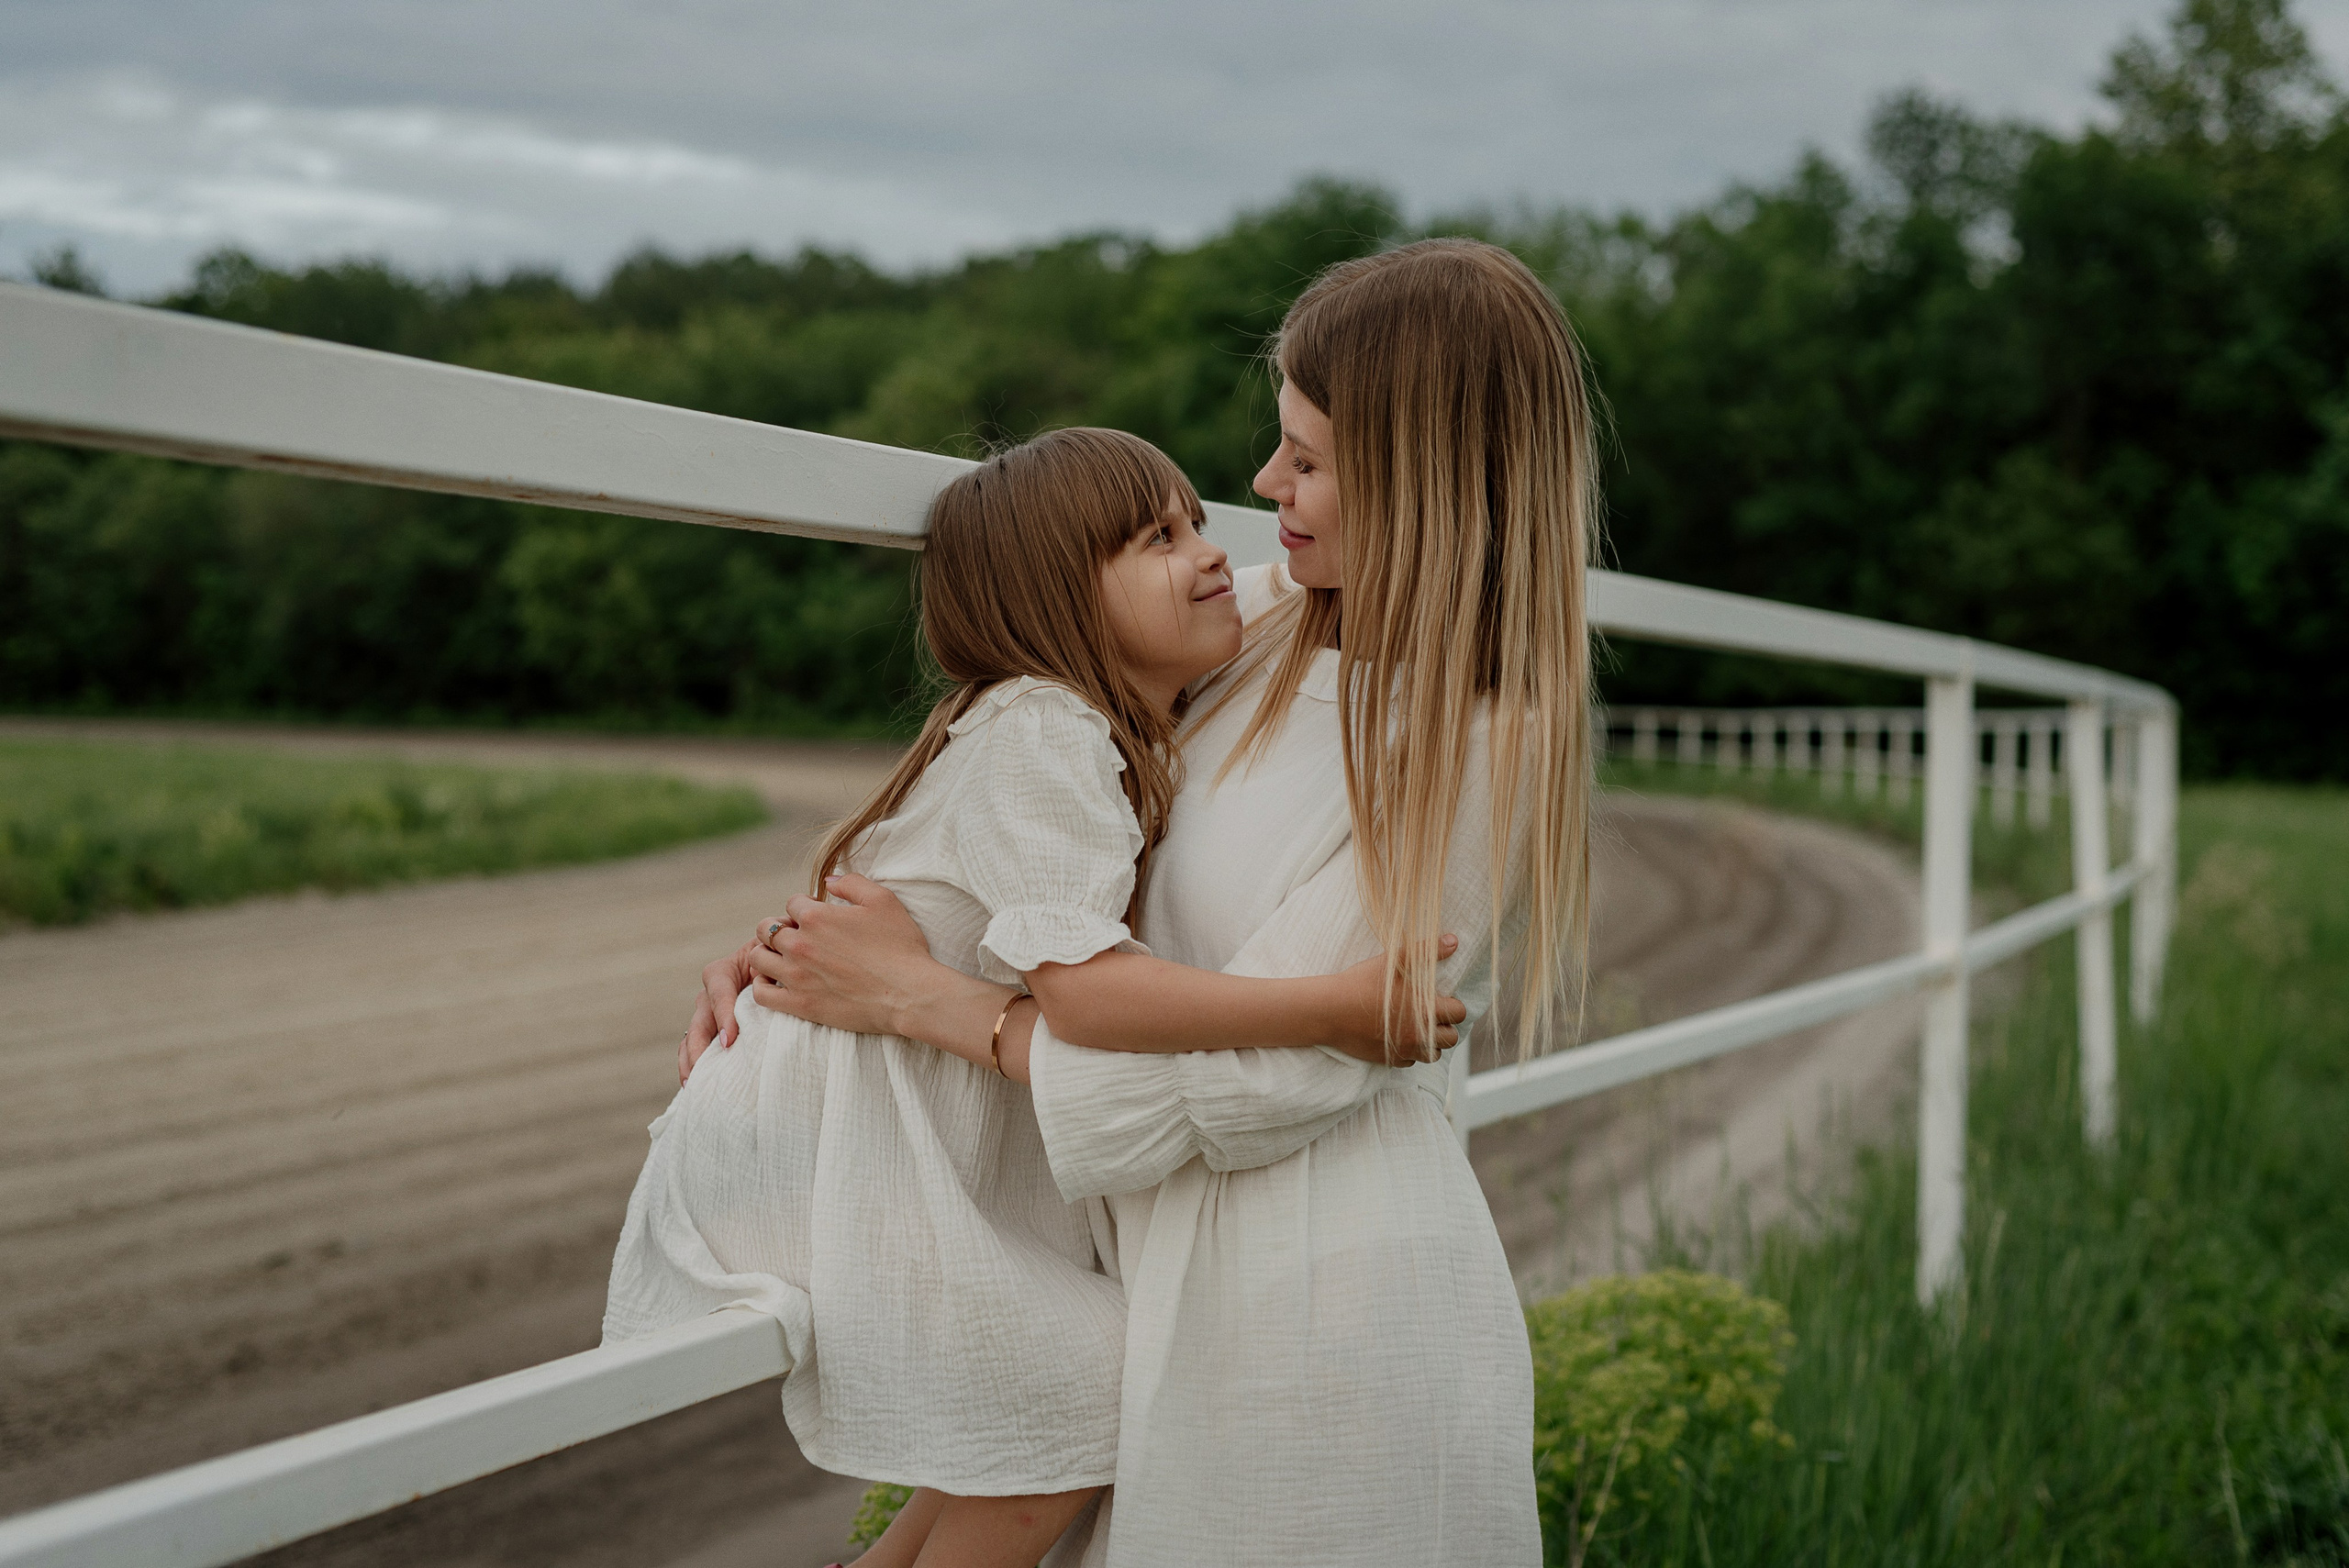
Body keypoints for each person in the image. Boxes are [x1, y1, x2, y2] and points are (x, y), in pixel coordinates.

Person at [700, 238, 1597, 1567]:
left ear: (1427, 481)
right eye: (1278, 441)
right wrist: (808, 956)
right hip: (1145, 1262)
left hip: (1313, 1294)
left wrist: (918, 1000)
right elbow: (1028, 772)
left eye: (1310, 459)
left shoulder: (1478, 740)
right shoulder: (1258, 624)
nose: (1261, 487)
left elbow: (1264, 1079)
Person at [607, 427, 1464, 1568]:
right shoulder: (1050, 728)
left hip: (855, 1124)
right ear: (1059, 600)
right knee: (1092, 1386)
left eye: (1193, 520)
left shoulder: (1059, 722)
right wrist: (1332, 1005)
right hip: (832, 1143)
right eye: (1157, 538)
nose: (1212, 549)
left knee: (1066, 1393)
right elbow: (1092, 997)